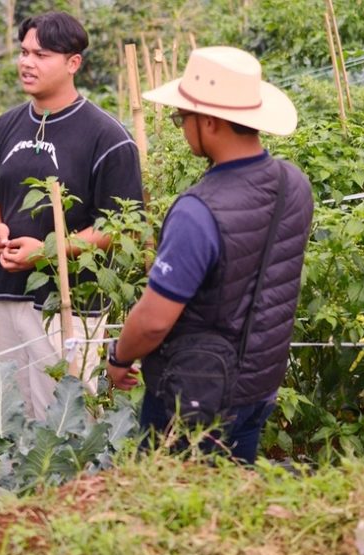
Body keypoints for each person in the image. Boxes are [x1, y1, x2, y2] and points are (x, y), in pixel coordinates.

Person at [106, 47, 314, 464]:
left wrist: (120, 357)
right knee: (228, 514)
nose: (182, 128)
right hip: (257, 387)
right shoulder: (294, 184)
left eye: (183, 118)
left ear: (210, 122)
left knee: (174, 515)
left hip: (193, 397)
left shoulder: (199, 212)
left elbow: (153, 320)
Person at [0, 12, 144, 420]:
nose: (27, 63)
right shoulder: (5, 127)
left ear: (73, 63)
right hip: (4, 298)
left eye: (41, 55)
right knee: (1, 417)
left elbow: (120, 225)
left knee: (63, 424)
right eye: (24, 52)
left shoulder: (107, 138)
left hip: (70, 308)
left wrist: (48, 251)